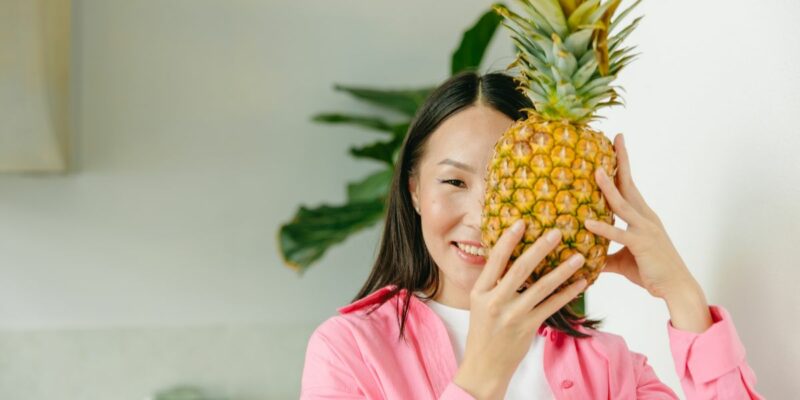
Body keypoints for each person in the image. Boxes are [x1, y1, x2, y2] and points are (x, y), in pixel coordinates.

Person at [300, 71, 763, 399]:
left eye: (505, 185)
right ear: (415, 190)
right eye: (455, 182)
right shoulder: (348, 350)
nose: (483, 218)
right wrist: (481, 378)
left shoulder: (606, 364)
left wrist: (683, 297)